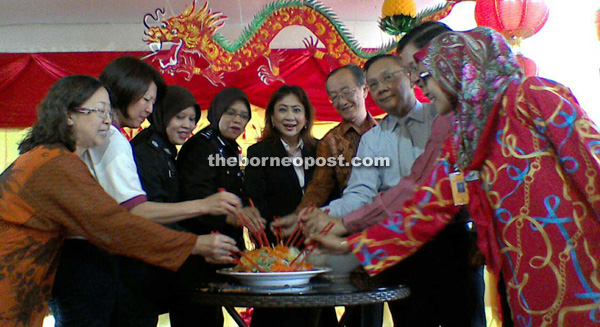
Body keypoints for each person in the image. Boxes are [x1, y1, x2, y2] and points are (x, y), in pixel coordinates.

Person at [309, 27, 600, 327]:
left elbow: (593, 166)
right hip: (522, 273)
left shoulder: (531, 97)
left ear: (456, 67)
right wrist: (354, 246)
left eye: (426, 76)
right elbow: (426, 207)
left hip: (582, 264)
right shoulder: (465, 138)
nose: (422, 87)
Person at [0, 75, 239, 327]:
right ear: (69, 115)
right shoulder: (57, 163)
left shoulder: (53, 157)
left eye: (108, 111)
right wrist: (194, 243)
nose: (107, 120)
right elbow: (114, 224)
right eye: (98, 111)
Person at [303, 22, 487, 327]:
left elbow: (425, 189)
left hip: (455, 243)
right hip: (399, 243)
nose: (381, 88)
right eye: (374, 84)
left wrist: (344, 228)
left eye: (391, 76)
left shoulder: (445, 116)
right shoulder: (373, 139)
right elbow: (368, 193)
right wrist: (328, 217)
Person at [244, 85, 337, 327]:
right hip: (280, 251)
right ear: (272, 117)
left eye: (297, 110)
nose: (290, 117)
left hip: (319, 248)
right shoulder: (259, 151)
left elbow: (332, 195)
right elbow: (257, 201)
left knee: (319, 317)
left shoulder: (321, 149)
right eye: (282, 110)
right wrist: (276, 244)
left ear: (306, 117)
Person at [117, 85, 206, 326]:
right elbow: (150, 211)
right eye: (180, 117)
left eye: (192, 119)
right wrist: (195, 244)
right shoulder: (146, 151)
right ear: (161, 113)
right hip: (137, 267)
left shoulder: (164, 150)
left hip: (156, 260)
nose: (187, 125)